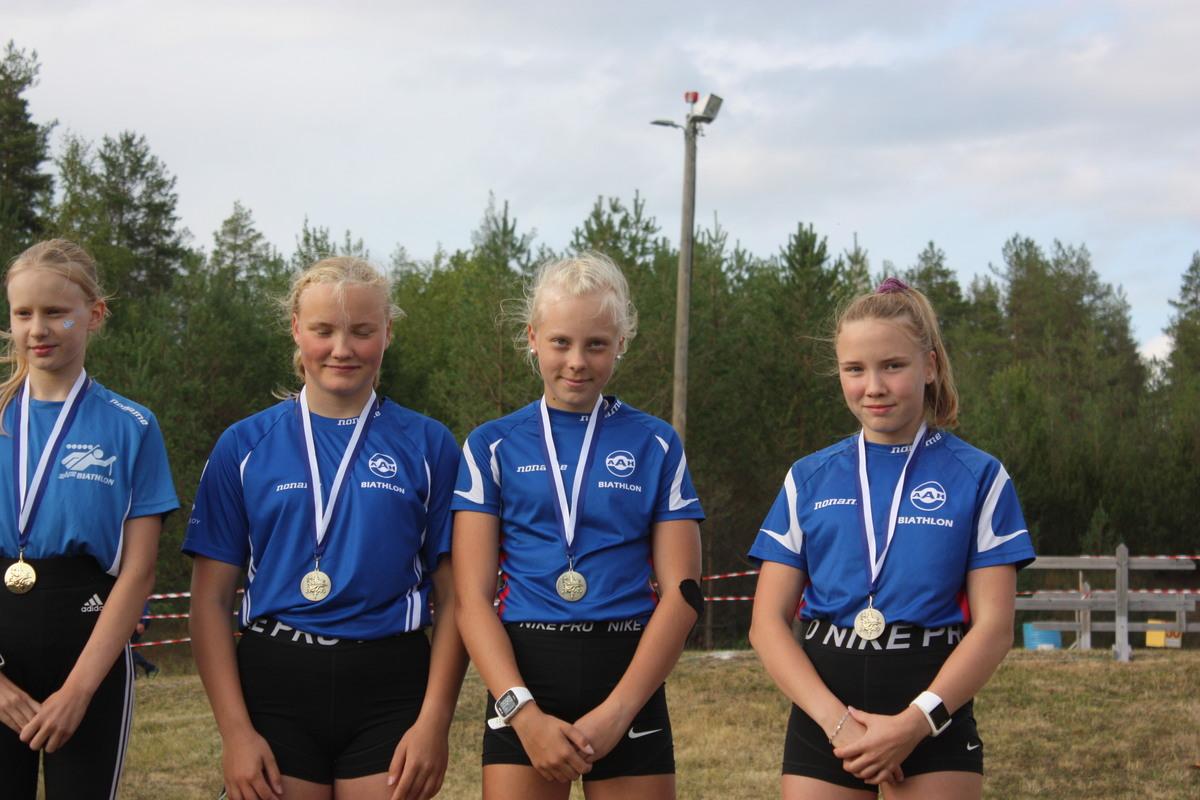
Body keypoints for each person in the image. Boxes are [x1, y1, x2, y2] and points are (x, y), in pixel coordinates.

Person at [185, 256, 467, 800]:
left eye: (362, 331)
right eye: (323, 330)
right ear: (296, 329)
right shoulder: (243, 445)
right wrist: (236, 734)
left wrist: (434, 723)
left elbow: (456, 599)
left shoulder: (430, 445)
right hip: (276, 681)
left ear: (387, 333)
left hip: (390, 682)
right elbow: (210, 602)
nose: (342, 349)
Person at [748, 277, 1035, 800]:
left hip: (931, 711)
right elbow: (766, 624)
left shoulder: (980, 477)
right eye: (854, 369)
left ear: (930, 366)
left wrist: (913, 724)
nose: (873, 386)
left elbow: (994, 628)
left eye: (893, 366)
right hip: (826, 713)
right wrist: (840, 726)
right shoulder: (808, 478)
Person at [452, 252, 705, 800]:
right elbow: (470, 600)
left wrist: (619, 711)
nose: (576, 361)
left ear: (621, 343)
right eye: (560, 342)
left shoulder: (656, 442)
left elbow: (684, 592)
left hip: (627, 673)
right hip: (526, 677)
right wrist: (522, 715)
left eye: (596, 344)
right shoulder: (491, 444)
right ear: (532, 338)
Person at [0, 239, 179, 799]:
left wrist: (79, 690)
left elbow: (139, 572)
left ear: (94, 315)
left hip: (89, 652)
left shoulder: (132, 425)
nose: (38, 329)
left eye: (56, 312)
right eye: (23, 313)